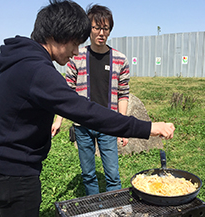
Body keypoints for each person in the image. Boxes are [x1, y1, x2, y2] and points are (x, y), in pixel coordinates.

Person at [0, 0, 175, 217]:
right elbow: (86, 112)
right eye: (74, 44)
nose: (74, 52)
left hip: (0, 165)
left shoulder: (24, 60)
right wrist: (148, 128)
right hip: (13, 173)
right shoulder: (38, 71)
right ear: (57, 36)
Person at [51, 4, 131, 196]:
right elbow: (66, 91)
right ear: (89, 29)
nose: (101, 33)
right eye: (97, 27)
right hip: (82, 124)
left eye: (106, 28)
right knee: (88, 173)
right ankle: (93, 208)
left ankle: (114, 208)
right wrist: (58, 119)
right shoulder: (76, 57)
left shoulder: (120, 60)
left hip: (108, 124)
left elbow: (123, 94)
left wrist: (123, 125)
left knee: (112, 173)